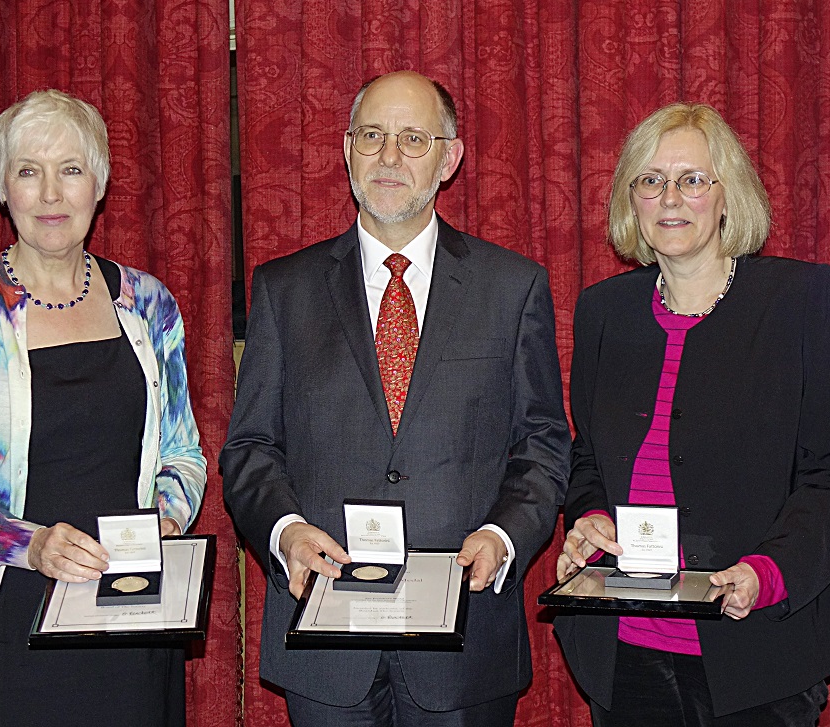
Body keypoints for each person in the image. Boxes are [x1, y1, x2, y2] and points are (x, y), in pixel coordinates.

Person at [221, 70, 570, 726]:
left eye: (414, 139)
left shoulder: (512, 287)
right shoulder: (283, 289)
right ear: (346, 148)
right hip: (324, 642)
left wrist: (503, 534)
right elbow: (250, 447)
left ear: (450, 157)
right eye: (372, 135)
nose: (388, 157)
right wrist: (285, 530)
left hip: (465, 639)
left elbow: (544, 443)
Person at [553, 102, 830, 725]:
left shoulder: (797, 300)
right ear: (632, 202)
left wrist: (769, 571)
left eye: (692, 179)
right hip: (623, 656)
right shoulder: (603, 311)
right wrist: (591, 517)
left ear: (728, 195)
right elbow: (588, 455)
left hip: (756, 653)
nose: (670, 196)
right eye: (651, 180)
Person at [0, 89, 206, 727]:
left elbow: (183, 453)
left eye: (71, 170)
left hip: (129, 614)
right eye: (29, 172)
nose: (52, 195)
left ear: (101, 183)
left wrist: (161, 521)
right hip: (2, 621)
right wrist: (30, 546)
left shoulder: (149, 303)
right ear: (3, 188)